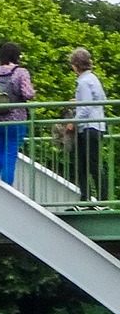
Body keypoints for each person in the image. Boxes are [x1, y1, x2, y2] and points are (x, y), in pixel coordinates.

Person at [0, 43, 35, 185]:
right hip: (14, 122)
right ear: (17, 56)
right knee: (9, 157)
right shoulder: (21, 72)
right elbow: (28, 94)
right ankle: (6, 196)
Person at [66, 47, 108, 202]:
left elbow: (86, 107)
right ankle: (100, 199)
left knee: (86, 165)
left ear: (75, 65)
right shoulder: (93, 79)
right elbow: (99, 99)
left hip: (88, 127)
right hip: (97, 126)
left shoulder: (83, 82)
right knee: (92, 164)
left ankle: (89, 198)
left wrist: (73, 122)